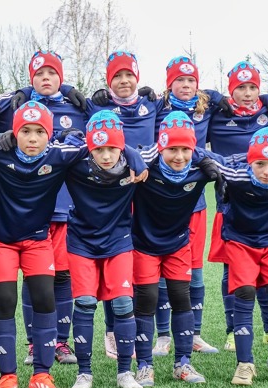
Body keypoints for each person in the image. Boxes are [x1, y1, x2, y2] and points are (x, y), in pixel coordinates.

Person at [0, 51, 86, 366]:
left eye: (52, 73)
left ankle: (60, 341)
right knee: (33, 280)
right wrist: (18, 92)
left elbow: (105, 129)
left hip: (63, 207)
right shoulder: (17, 104)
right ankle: (35, 343)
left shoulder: (77, 105)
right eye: (38, 74)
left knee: (62, 275)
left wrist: (73, 91)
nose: (46, 78)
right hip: (26, 211)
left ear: (62, 77)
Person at [203, 60, 268, 353]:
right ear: (231, 90)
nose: (248, 93)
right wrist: (214, 96)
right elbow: (193, 101)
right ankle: (232, 330)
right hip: (230, 204)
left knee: (267, 273)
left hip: (266, 207)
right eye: (241, 87)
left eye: (253, 87)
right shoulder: (218, 115)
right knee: (232, 270)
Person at [131, 111, 222, 387]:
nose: (179, 156)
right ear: (161, 147)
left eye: (185, 149)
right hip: (143, 245)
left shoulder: (199, 171)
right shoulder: (145, 169)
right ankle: (144, 365)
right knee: (146, 300)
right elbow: (123, 153)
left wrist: (205, 159)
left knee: (182, 299)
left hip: (178, 244)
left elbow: (237, 162)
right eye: (172, 149)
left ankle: (183, 363)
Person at [65, 110, 148, 388]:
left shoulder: (133, 167)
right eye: (99, 149)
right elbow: (55, 145)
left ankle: (125, 372)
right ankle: (84, 373)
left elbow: (172, 147)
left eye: (112, 148)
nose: (106, 155)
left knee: (123, 303)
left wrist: (133, 154)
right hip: (82, 241)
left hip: (118, 240)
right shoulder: (75, 162)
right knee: (85, 302)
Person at [86, 51, 160, 359]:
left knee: (146, 266)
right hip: (114, 197)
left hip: (146, 195)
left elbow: (182, 119)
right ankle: (111, 331)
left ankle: (156, 333)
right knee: (112, 264)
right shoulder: (97, 106)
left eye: (129, 74)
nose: (124, 80)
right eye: (117, 76)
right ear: (108, 80)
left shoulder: (152, 104)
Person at [213, 127, 268, 386]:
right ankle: (245, 364)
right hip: (240, 242)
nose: (267, 171)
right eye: (260, 164)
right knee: (245, 292)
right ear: (250, 162)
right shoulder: (236, 174)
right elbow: (205, 155)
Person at [151, 56, 218, 356]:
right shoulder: (156, 109)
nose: (186, 85)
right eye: (179, 80)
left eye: (191, 80)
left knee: (195, 268)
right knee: (161, 269)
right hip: (161, 200)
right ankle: (163, 335)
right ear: (169, 84)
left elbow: (236, 98)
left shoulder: (206, 108)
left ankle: (195, 334)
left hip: (194, 201)